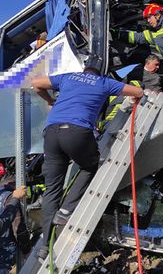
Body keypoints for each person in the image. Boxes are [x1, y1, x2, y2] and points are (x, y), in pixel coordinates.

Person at [31, 64, 143, 259]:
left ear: (83, 72)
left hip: (51, 134)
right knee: (90, 166)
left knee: (52, 190)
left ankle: (44, 245)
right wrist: (135, 96)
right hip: (77, 133)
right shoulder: (103, 82)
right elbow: (138, 91)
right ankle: (66, 210)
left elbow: (36, 83)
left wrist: (50, 101)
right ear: (98, 74)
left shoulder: (67, 77)